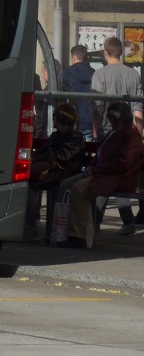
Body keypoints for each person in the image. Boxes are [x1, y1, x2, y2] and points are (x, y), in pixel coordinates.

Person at [56, 101, 144, 248]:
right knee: (66, 185)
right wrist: (91, 165)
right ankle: (61, 231)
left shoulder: (131, 135)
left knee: (79, 189)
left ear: (118, 119)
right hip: (103, 173)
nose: (108, 121)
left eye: (111, 118)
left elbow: (122, 164)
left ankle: (79, 235)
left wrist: (95, 169)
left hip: (118, 177)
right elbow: (100, 153)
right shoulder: (114, 132)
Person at [24, 102, 84, 240]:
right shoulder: (56, 136)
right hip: (53, 171)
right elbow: (43, 152)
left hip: (64, 174)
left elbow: (61, 158)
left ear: (60, 119)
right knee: (27, 182)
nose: (53, 119)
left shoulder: (75, 137)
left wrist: (49, 156)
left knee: (30, 185)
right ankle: (30, 224)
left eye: (54, 117)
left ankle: (30, 226)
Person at [91, 36, 144, 139]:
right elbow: (138, 108)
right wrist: (139, 136)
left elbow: (98, 108)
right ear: (121, 52)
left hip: (106, 132)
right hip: (128, 132)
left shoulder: (99, 74)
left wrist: (95, 134)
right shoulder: (134, 74)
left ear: (105, 52)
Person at [62, 44, 96, 141]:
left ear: (74, 57)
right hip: (90, 122)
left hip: (73, 121)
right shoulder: (95, 73)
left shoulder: (66, 72)